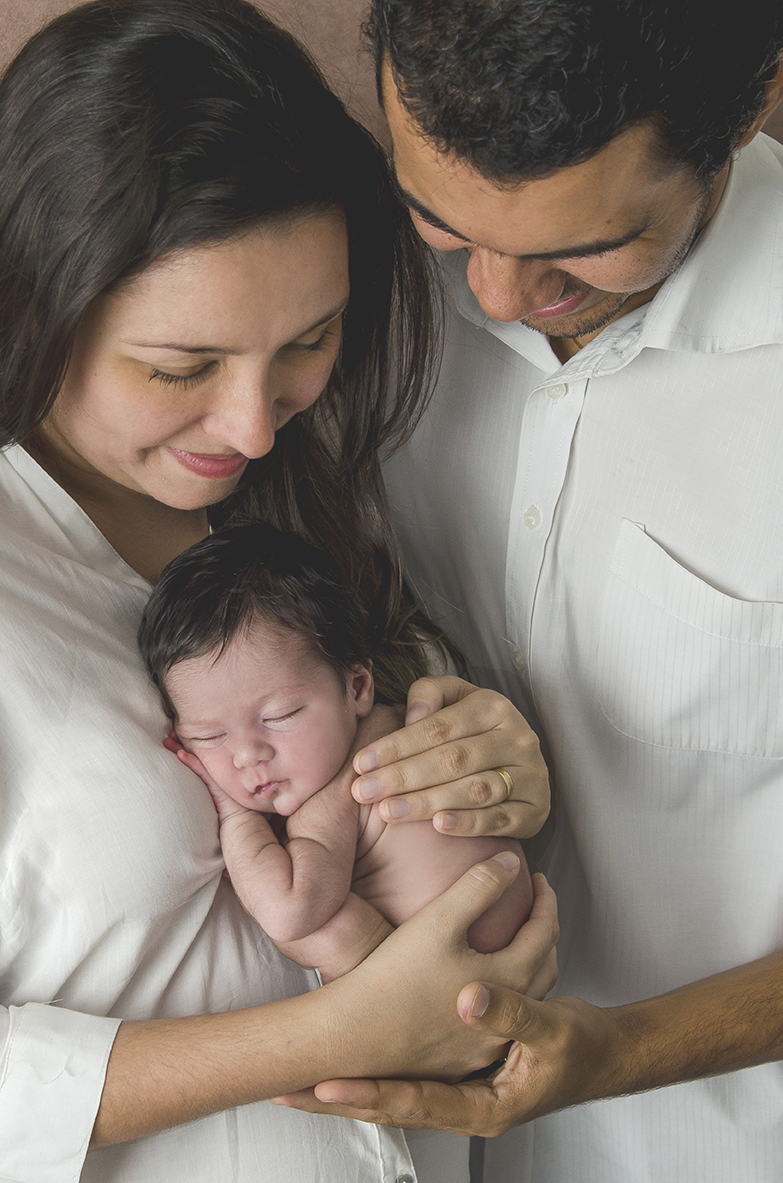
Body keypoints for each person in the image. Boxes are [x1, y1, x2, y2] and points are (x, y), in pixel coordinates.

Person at [0, 2, 559, 1180]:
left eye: (310, 339)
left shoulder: (309, 507)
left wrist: (479, 753)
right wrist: (332, 1036)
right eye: (180, 368)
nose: (255, 423)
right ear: (33, 302)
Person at [273, 2, 783, 1180]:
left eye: (591, 243)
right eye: (446, 222)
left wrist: (625, 1050)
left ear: (751, 109)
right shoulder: (326, 287)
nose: (496, 294)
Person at [138, 522, 534, 982]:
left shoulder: (344, 790)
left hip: (446, 994)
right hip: (502, 968)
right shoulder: (393, 724)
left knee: (311, 928)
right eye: (208, 738)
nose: (247, 755)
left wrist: (235, 815)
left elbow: (288, 911)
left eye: (280, 715)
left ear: (357, 686)